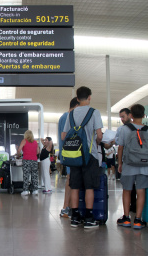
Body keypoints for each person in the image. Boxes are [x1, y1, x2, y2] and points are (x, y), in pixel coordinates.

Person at [62, 86, 103, 228]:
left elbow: (63, 135)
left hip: (74, 156)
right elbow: (99, 135)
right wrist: (97, 141)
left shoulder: (71, 114)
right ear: (90, 97)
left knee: (75, 187)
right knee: (89, 187)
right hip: (90, 155)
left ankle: (75, 217)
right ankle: (89, 218)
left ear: (77, 99)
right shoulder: (94, 112)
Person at [117, 104, 148, 229]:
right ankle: (138, 220)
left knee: (127, 190)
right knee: (141, 191)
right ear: (144, 115)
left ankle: (126, 218)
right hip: (144, 165)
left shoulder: (125, 129)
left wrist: (120, 163)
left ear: (131, 115)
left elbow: (120, 148)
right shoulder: (147, 129)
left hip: (129, 165)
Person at [58, 97, 79, 218]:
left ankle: (68, 207)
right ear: (76, 106)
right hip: (71, 153)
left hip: (67, 153)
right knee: (71, 180)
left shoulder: (63, 116)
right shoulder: (68, 117)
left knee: (71, 179)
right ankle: (66, 207)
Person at [17, 130, 40, 196]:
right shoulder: (35, 142)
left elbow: (19, 150)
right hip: (34, 161)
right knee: (34, 175)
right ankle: (35, 190)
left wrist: (18, 155)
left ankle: (25, 190)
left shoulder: (24, 141)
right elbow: (38, 151)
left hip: (26, 160)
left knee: (26, 175)